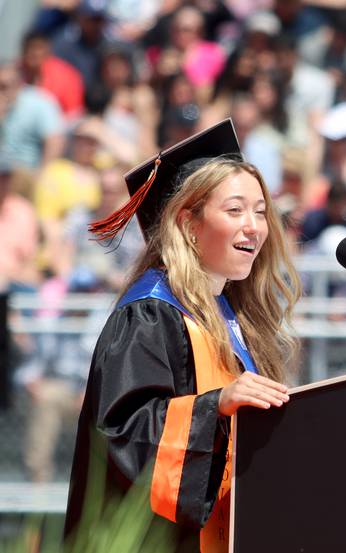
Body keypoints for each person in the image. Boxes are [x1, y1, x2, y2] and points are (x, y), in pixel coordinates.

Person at [64, 120, 302, 552]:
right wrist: (217, 407)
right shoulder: (151, 313)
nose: (254, 227)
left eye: (261, 211)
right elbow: (122, 432)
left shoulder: (229, 314)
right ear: (188, 224)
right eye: (235, 211)